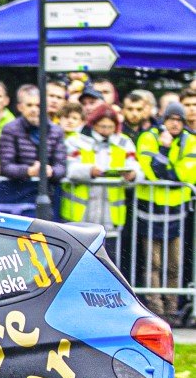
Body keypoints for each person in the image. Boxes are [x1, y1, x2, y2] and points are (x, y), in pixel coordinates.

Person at [134, 103, 196, 321]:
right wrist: (165, 149)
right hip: (150, 211)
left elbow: (186, 175)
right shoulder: (148, 137)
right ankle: (156, 310)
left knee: (174, 265)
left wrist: (168, 172)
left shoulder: (190, 140)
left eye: (179, 120)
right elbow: (152, 171)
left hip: (176, 214)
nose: (175, 124)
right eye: (171, 119)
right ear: (163, 120)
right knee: (153, 264)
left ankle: (171, 310)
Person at [63, 103, 138, 266]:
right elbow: (69, 168)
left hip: (111, 215)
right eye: (102, 126)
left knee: (109, 261)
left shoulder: (124, 142)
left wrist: (132, 175)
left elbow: (136, 168)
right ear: (93, 124)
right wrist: (89, 171)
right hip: (80, 213)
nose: (106, 131)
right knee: (77, 261)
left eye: (110, 127)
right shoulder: (75, 140)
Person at [0, 87, 66, 184]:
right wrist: (28, 171)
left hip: (49, 188)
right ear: (20, 107)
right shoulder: (10, 129)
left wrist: (51, 171)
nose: (34, 110)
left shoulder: (57, 131)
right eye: (29, 105)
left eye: (38, 105)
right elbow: (5, 166)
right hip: (19, 189)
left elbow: (61, 166)